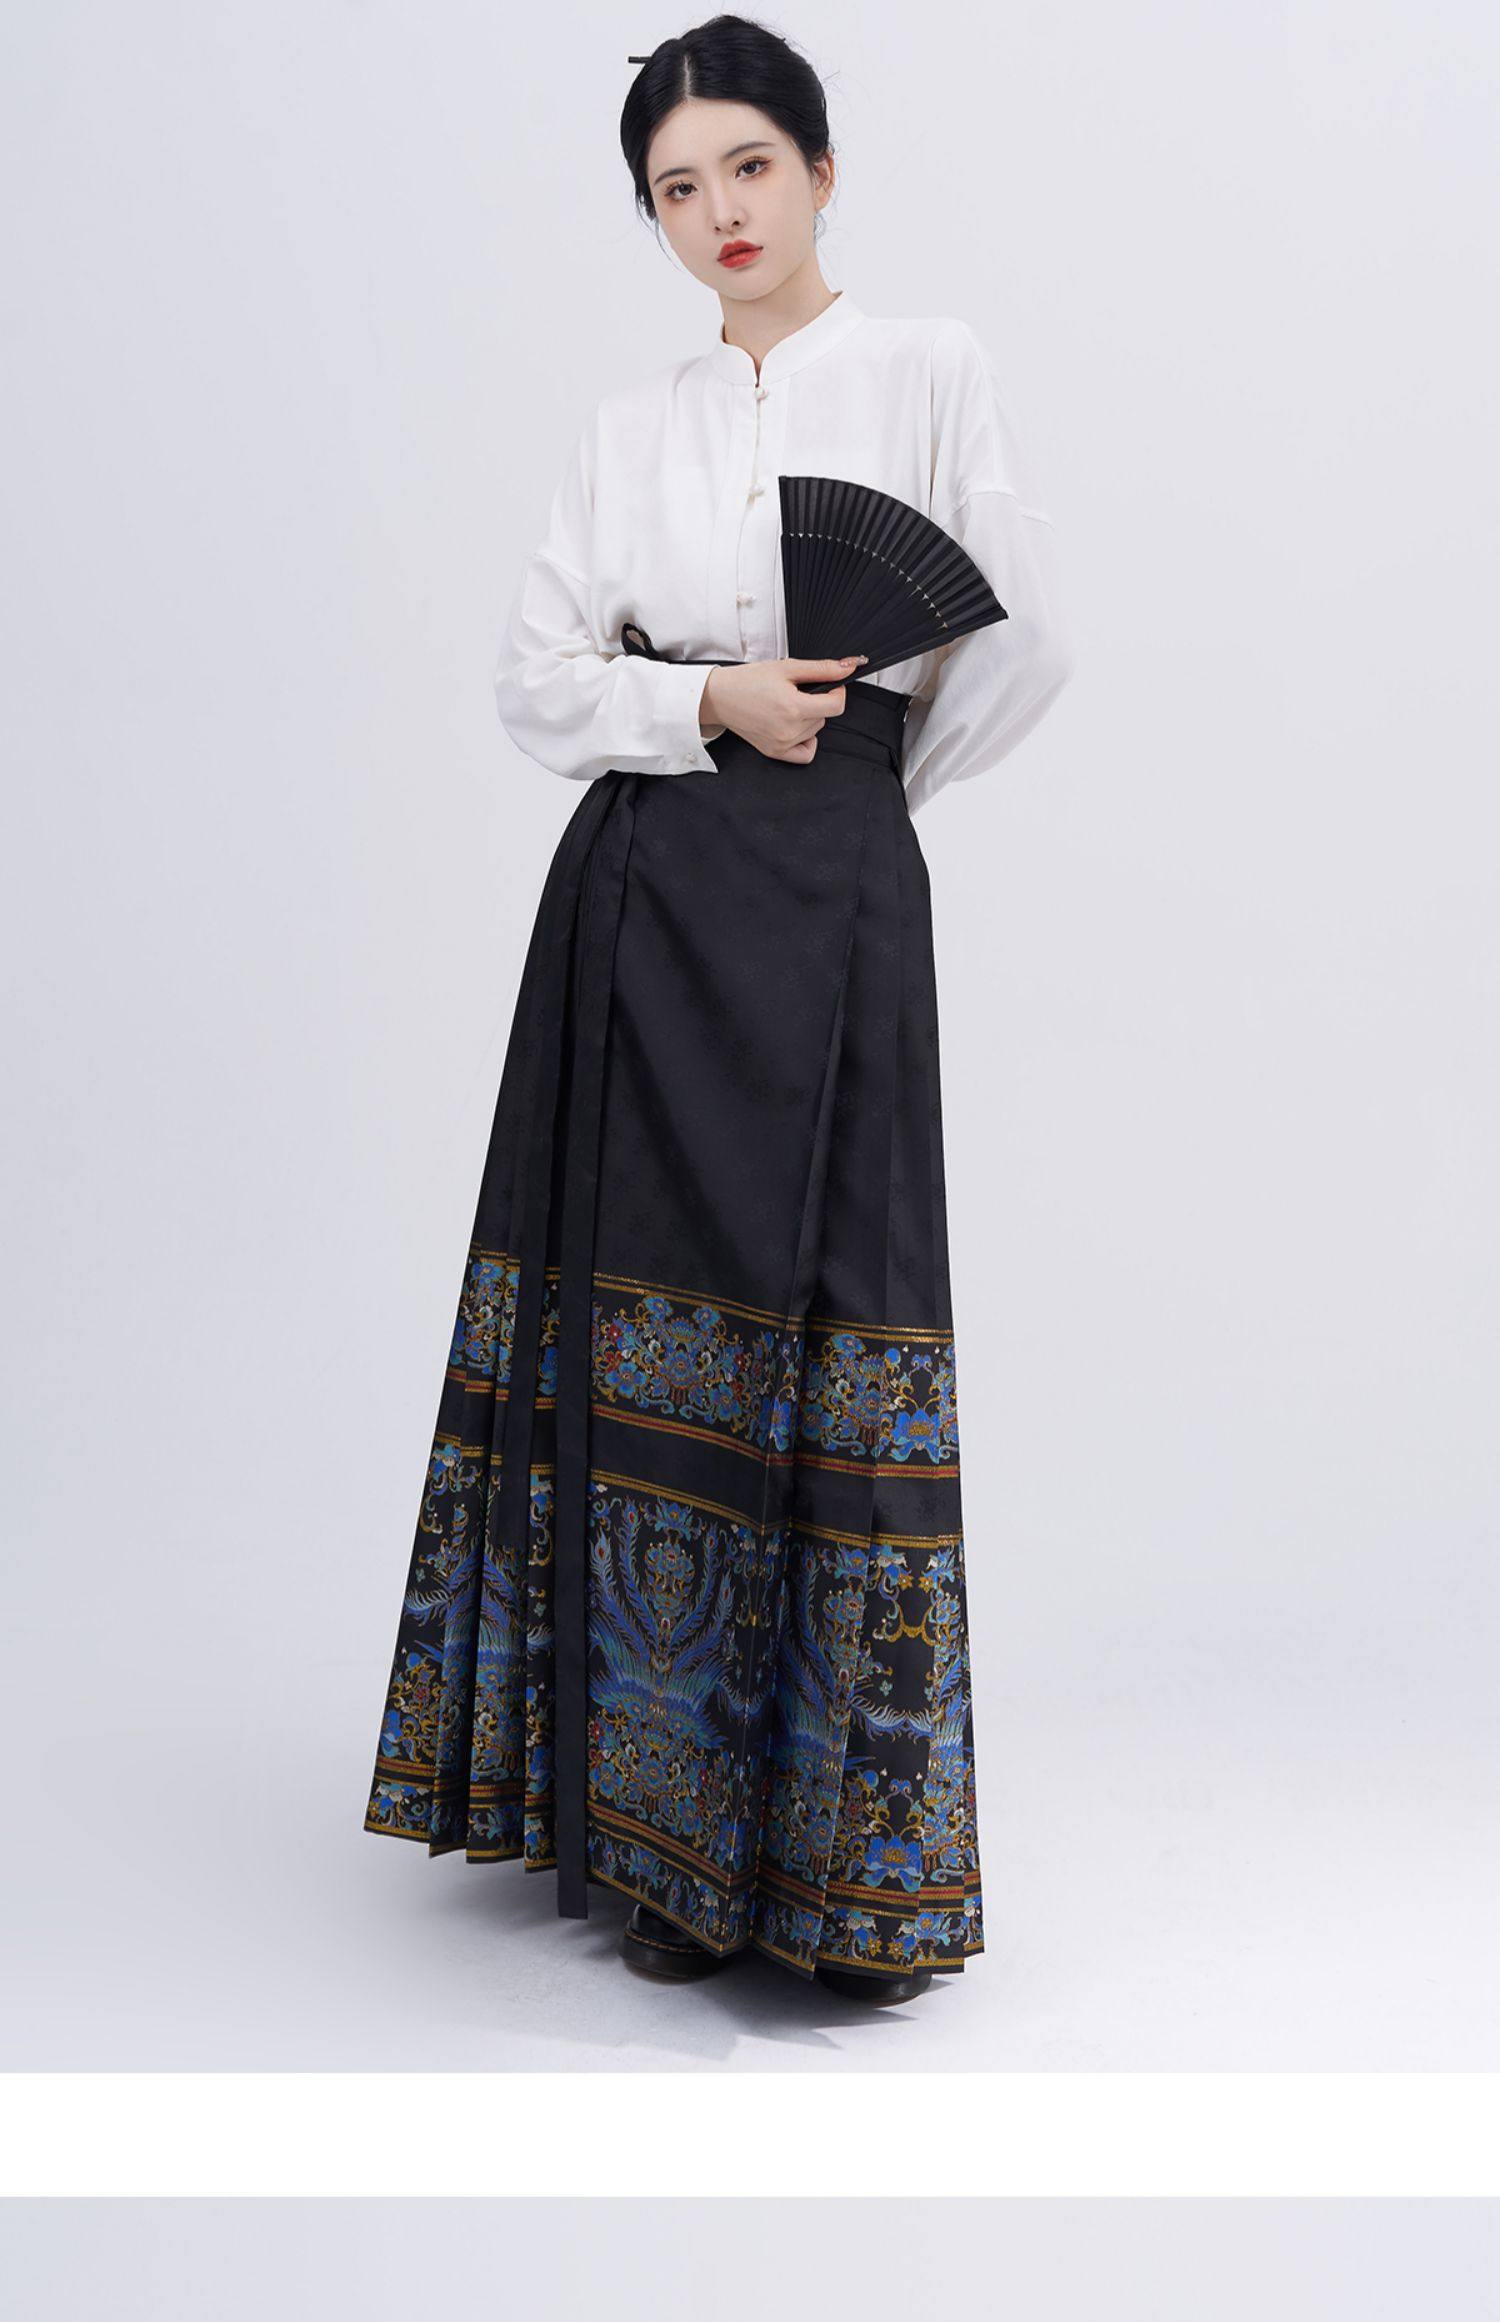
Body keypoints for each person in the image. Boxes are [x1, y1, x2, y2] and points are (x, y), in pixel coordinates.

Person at [363, 12, 1074, 2005]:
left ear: (822, 171)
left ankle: (834, 1872)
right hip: (648, 895)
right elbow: (536, 680)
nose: (721, 213)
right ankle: (653, 1846)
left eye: (750, 167)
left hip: (835, 890)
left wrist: (862, 790)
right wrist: (707, 706)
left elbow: (1024, 637)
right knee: (639, 1323)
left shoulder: (930, 370)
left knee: (843, 1313)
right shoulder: (629, 425)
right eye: (678, 189)